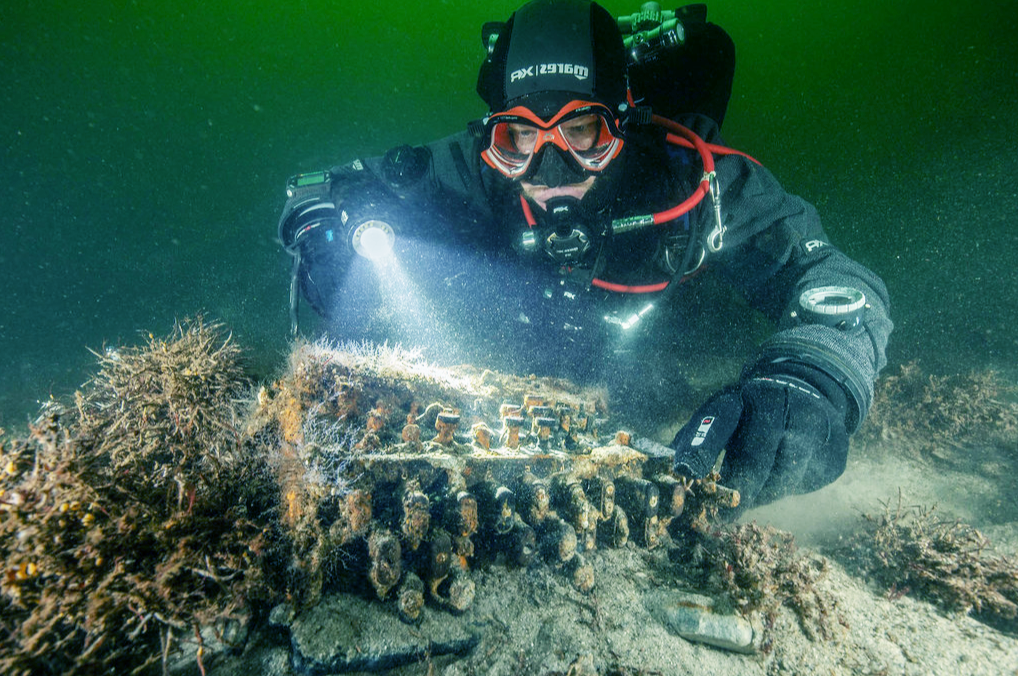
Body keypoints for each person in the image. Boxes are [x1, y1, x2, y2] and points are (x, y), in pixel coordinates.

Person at [277, 0, 892, 511]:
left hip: (669, 341)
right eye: (519, 137)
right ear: (494, 136)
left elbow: (831, 277)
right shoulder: (474, 169)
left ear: (622, 123)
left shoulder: (695, 181)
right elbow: (323, 188)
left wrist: (812, 378)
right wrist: (323, 233)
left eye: (582, 132)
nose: (549, 170)